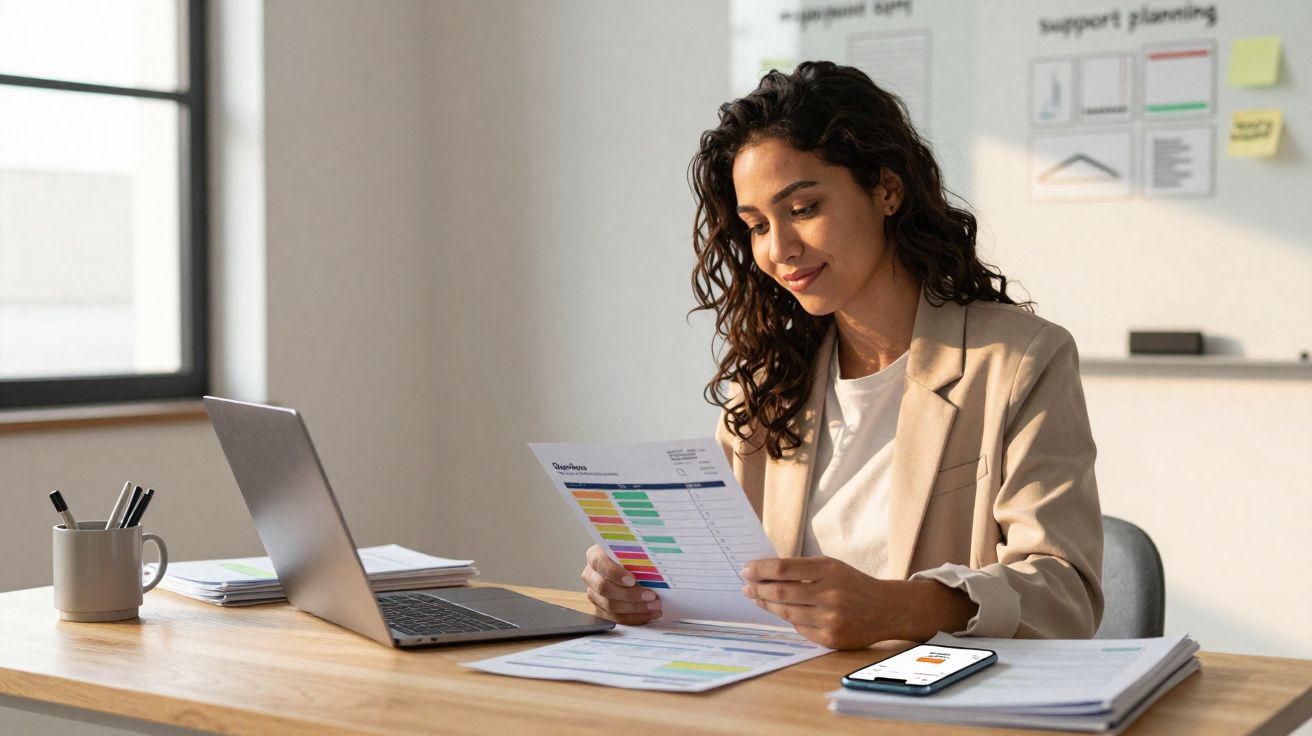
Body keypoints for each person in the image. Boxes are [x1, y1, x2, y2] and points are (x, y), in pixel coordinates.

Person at [580, 61, 1102, 650]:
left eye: (803, 209)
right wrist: (643, 586)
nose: (780, 250)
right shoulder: (764, 382)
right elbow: (727, 582)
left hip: (936, 699)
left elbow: (1066, 593)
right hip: (787, 696)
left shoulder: (1020, 360)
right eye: (756, 225)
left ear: (886, 189)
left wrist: (897, 609)